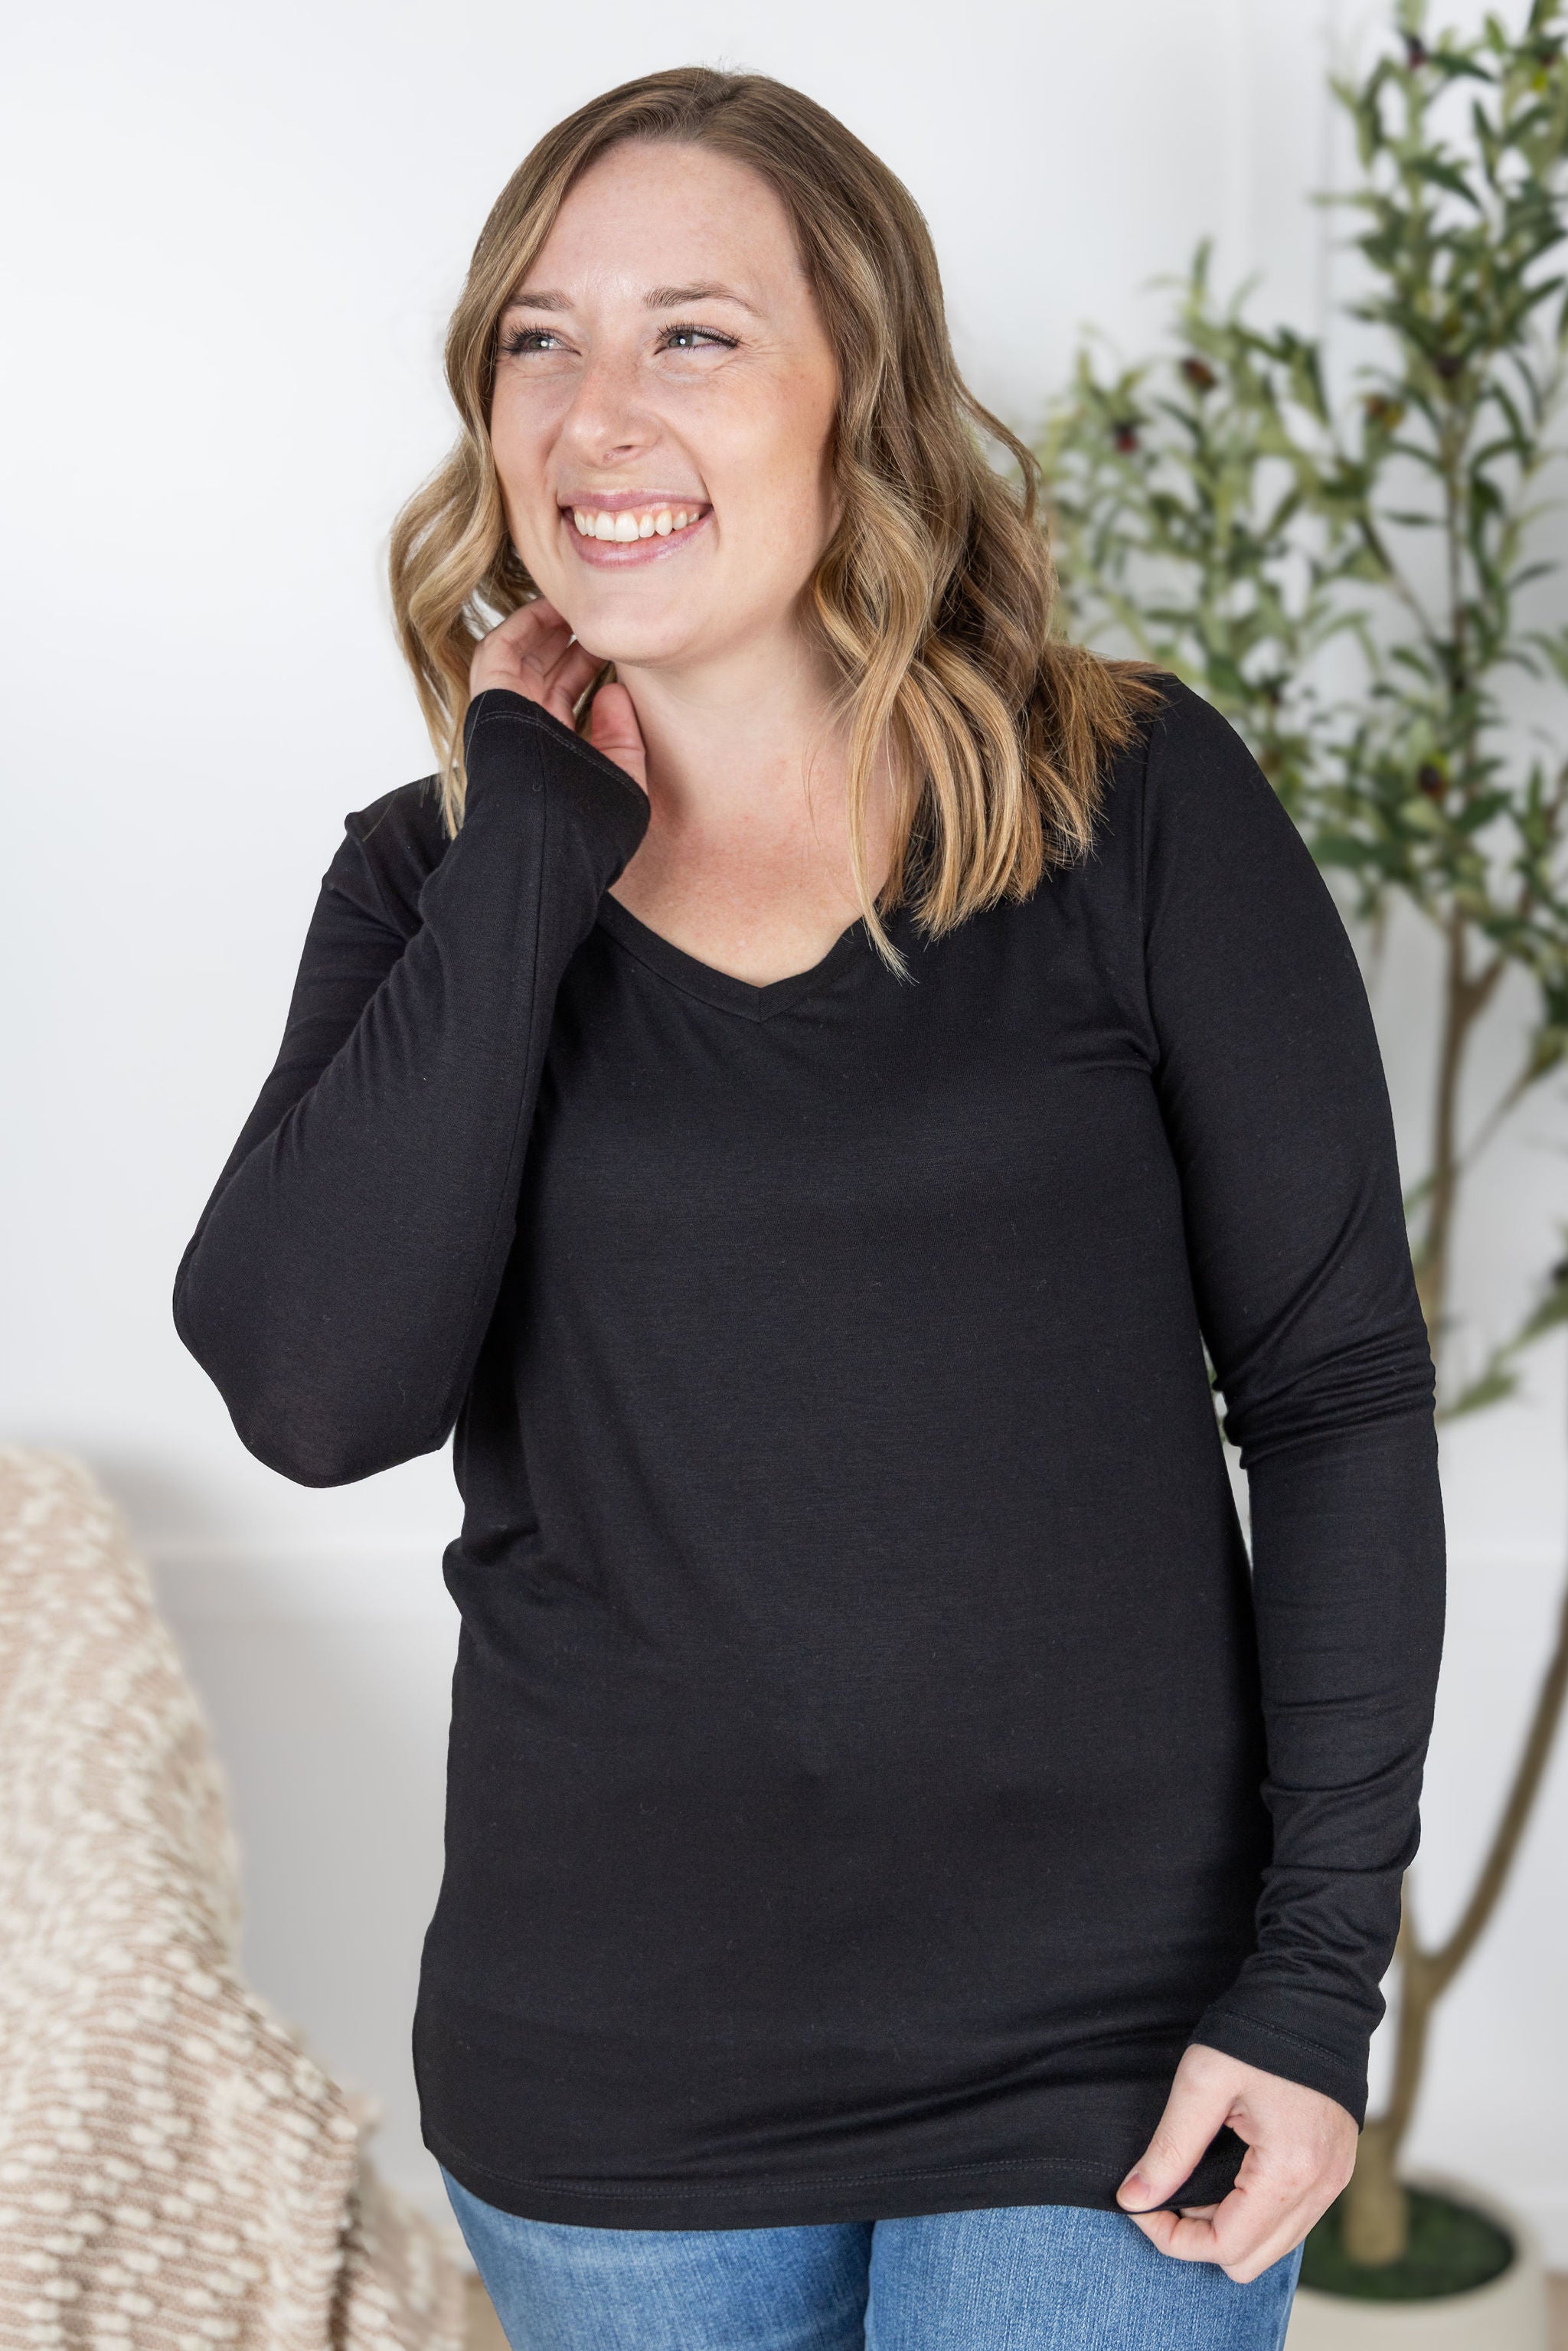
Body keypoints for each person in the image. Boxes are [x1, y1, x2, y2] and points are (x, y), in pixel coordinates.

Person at [172, 66, 1446, 2351]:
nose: (595, 412)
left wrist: (1314, 1975)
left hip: (1119, 2048)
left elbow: (1337, 1390)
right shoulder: (438, 874)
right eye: (538, 339)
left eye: (693, 333)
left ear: (863, 388)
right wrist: (533, 839)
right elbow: (313, 1391)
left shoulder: (1131, 800)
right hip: (617, 2082)